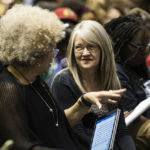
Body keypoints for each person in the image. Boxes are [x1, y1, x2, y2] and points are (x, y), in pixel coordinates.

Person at [0, 4, 126, 150]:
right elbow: (22, 146)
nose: (54, 54)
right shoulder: (7, 89)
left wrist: (83, 103)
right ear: (34, 53)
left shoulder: (35, 81)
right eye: (51, 49)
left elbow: (56, 125)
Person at [51, 20, 136, 150]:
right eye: (79, 47)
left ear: (103, 49)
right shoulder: (63, 81)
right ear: (72, 51)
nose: (85, 53)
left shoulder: (111, 79)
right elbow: (76, 133)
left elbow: (120, 130)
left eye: (91, 46)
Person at [105, 15, 150, 150]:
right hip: (132, 127)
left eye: (146, 45)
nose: (144, 52)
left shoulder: (141, 67)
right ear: (122, 44)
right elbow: (132, 115)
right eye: (138, 47)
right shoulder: (117, 72)